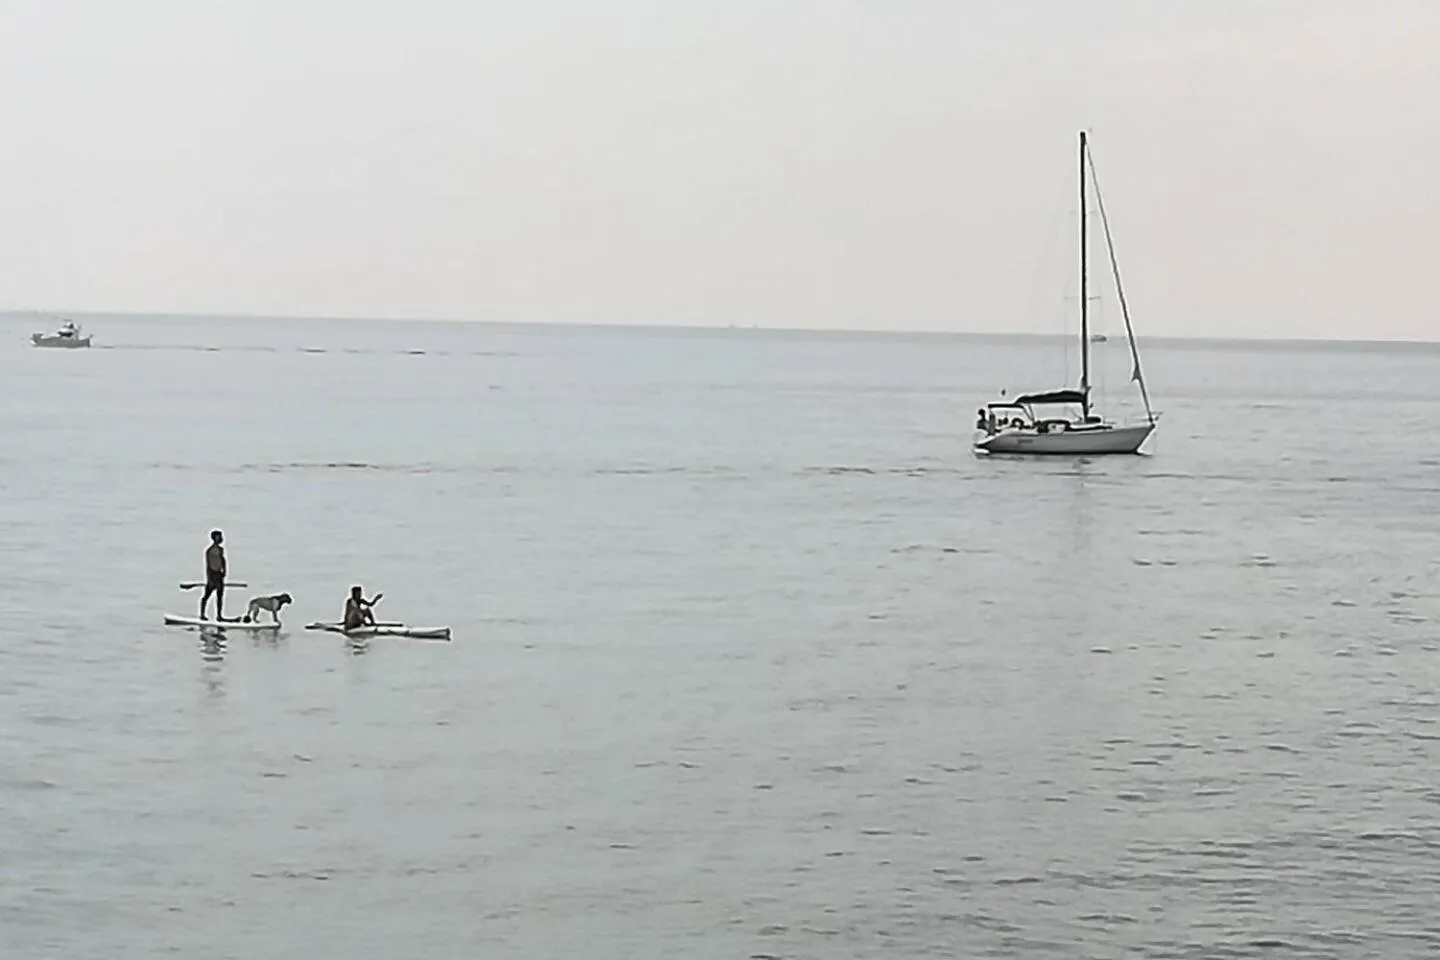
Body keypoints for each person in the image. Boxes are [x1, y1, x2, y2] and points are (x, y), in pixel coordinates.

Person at [200, 530, 227, 620]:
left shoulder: (221, 549)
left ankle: (219, 615)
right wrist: (209, 579)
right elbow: (208, 565)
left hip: (219, 575)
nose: (220, 538)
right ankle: (202, 615)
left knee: (220, 597)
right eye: (218, 536)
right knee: (206, 596)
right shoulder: (210, 551)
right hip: (212, 574)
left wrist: (224, 571)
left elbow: (223, 561)